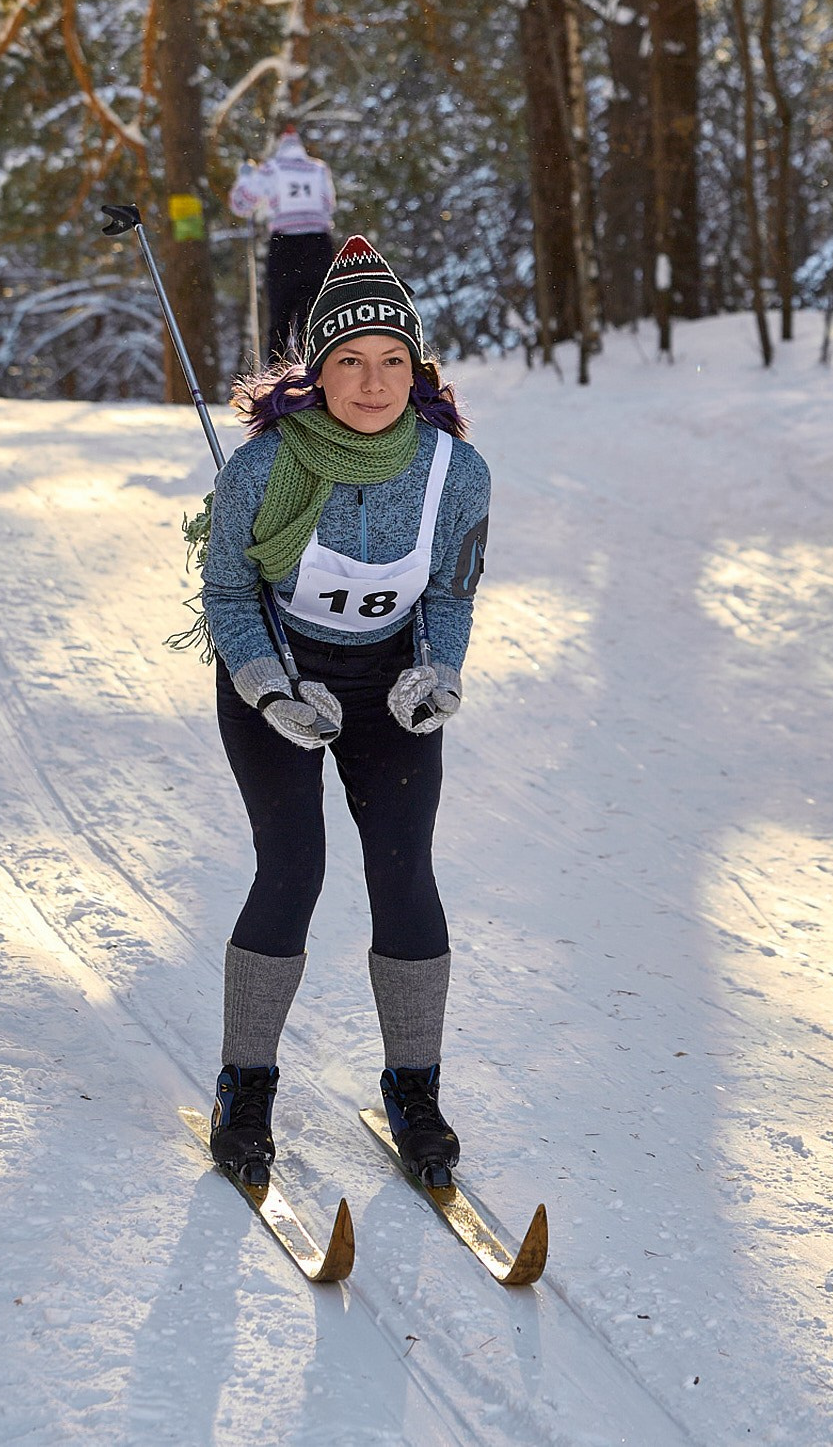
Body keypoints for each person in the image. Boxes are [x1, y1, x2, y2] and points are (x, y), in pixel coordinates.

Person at [197, 234, 492, 1191]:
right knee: (295, 866)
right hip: (281, 681)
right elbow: (231, 596)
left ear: (418, 368)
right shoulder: (260, 468)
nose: (374, 383)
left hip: (390, 689)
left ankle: (416, 1086)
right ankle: (247, 1086)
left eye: (393, 361)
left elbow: (448, 594)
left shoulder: (457, 472)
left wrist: (438, 674)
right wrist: (268, 688)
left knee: (405, 874)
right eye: (351, 363)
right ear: (318, 372)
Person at [227, 123, 338, 364]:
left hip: (286, 245)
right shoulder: (318, 170)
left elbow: (241, 204)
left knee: (280, 317)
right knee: (313, 317)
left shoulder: (272, 169)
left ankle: (276, 377)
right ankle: (313, 373)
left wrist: (244, 178)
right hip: (319, 245)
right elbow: (329, 205)